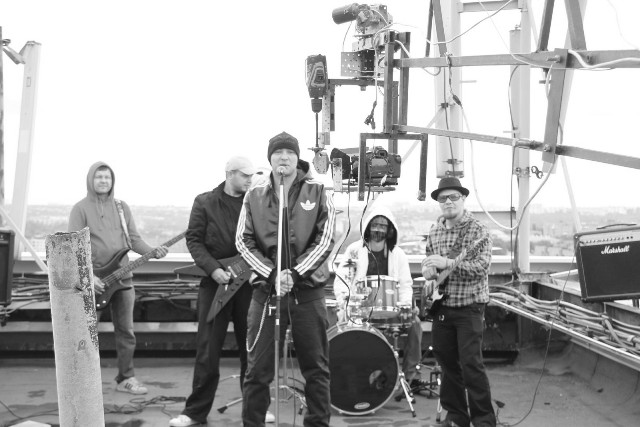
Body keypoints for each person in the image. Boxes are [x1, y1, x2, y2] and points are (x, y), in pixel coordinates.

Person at [236, 131, 336, 427]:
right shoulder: (254, 195)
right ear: (270, 159)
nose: (284, 157)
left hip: (308, 294)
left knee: (316, 369)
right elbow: (243, 241)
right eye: (278, 152)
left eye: (290, 152)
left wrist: (295, 273)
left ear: (297, 158)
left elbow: (326, 238)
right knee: (257, 371)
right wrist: (271, 274)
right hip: (266, 294)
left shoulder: (318, 191)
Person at [169, 157, 275, 426]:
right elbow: (194, 239)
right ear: (229, 174)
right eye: (245, 175)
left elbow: (265, 239)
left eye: (252, 175)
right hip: (213, 282)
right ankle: (194, 412)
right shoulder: (205, 202)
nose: (250, 180)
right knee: (207, 350)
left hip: (249, 285)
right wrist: (213, 269)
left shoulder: (255, 202)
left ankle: (256, 409)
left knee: (251, 349)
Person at [68, 161, 168, 395]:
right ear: (90, 180)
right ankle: (82, 382)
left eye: (107, 177)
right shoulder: (80, 209)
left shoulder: (122, 207)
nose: (103, 181)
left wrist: (152, 251)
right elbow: (73, 247)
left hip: (123, 279)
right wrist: (89, 277)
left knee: (126, 332)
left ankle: (126, 378)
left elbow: (134, 240)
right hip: (94, 282)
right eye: (99, 177)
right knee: (85, 334)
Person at [421, 177, 496, 427]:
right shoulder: (435, 230)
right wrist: (429, 270)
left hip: (469, 308)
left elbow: (481, 268)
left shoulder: (478, 231)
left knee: (471, 365)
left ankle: (484, 421)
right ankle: (456, 418)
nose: (448, 202)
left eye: (453, 197)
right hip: (442, 308)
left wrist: (447, 263)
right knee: (447, 366)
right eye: (443, 198)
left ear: (463, 199)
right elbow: (429, 259)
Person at [335, 205, 424, 390]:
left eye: (383, 226)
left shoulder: (398, 254)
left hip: (390, 309)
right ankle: (355, 376)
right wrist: (345, 302)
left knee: (414, 324)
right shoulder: (354, 250)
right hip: (360, 309)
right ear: (368, 227)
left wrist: (405, 305)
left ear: (390, 230)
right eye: (375, 225)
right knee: (348, 329)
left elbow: (405, 284)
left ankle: (411, 376)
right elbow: (342, 280)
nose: (378, 229)